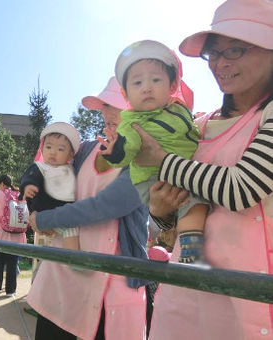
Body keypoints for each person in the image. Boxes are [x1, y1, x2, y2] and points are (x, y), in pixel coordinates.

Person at [129, 0, 273, 338]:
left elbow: (242, 188)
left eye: (236, 49)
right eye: (213, 52)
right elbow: (181, 212)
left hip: (247, 303)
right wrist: (161, 211)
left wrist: (162, 161)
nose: (220, 63)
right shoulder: (199, 125)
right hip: (183, 298)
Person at [26, 77, 149, 340]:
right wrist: (34, 207)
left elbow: (107, 205)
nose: (106, 112)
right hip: (63, 276)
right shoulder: (85, 150)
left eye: (114, 104)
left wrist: (46, 219)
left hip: (110, 284)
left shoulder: (146, 157)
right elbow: (44, 172)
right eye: (104, 105)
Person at [99, 40, 209, 264]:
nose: (147, 87)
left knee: (196, 204)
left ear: (171, 86)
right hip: (153, 179)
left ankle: (188, 244)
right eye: (137, 82)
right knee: (193, 202)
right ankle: (192, 252)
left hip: (183, 170)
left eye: (156, 80)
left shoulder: (178, 109)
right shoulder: (131, 123)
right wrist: (116, 151)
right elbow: (128, 146)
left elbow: (191, 130)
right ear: (126, 94)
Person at [19, 122, 81, 250]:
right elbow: (30, 177)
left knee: (70, 230)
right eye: (48, 147)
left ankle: (70, 258)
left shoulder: (70, 170)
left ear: (70, 155)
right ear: (42, 149)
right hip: (44, 211)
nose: (53, 152)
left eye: (60, 149)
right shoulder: (40, 167)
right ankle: (74, 260)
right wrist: (28, 186)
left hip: (62, 213)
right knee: (70, 228)